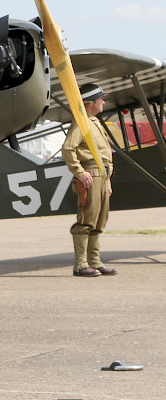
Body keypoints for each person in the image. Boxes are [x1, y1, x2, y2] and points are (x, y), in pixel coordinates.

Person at [61, 83, 117, 277]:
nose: (103, 101)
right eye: (100, 98)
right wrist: (79, 172)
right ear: (89, 103)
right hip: (91, 177)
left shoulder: (93, 121)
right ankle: (80, 264)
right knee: (86, 222)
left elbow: (104, 155)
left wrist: (107, 181)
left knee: (99, 222)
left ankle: (95, 262)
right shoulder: (81, 123)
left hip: (102, 177)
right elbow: (68, 149)